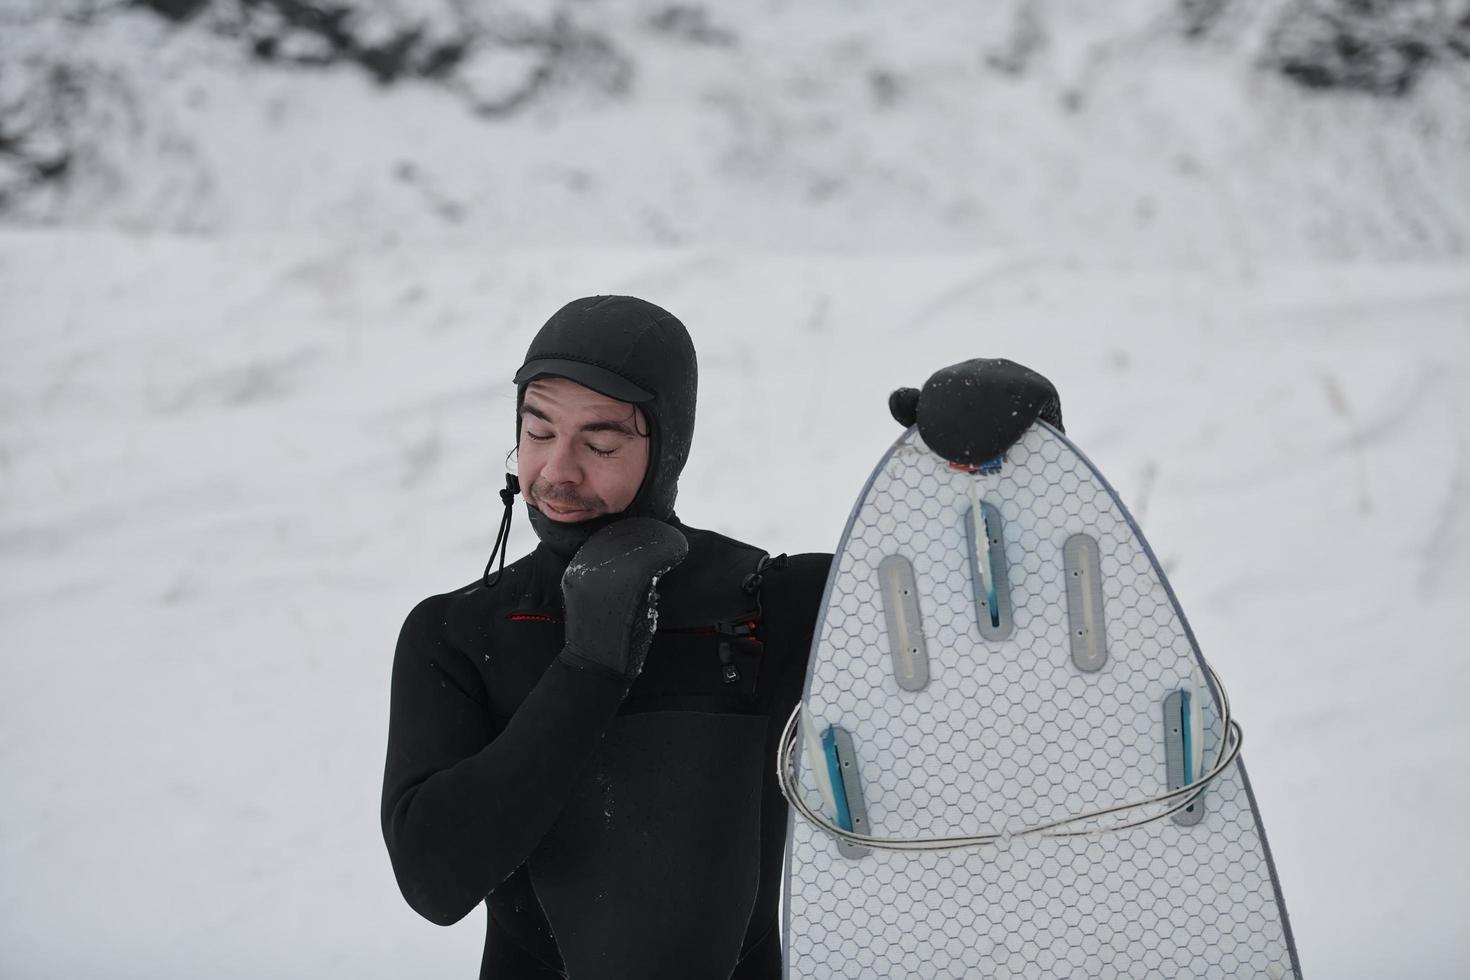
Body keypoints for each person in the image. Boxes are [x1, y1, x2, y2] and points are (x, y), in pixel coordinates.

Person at [380, 295, 1062, 979]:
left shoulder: (768, 606)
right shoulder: (458, 633)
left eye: (600, 443)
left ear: (668, 444)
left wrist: (1016, 476)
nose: (558, 470)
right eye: (537, 431)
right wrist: (586, 669)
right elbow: (435, 879)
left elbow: (995, 625)